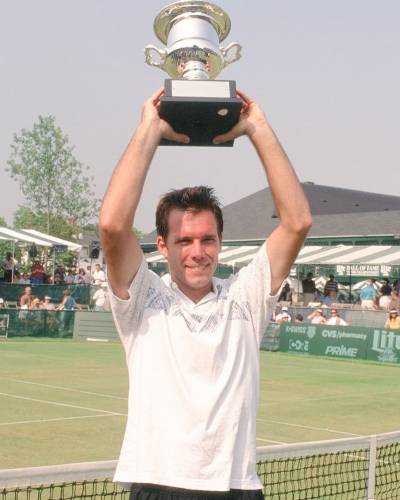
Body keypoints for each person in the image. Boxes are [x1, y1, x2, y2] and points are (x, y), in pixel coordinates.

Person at [99, 88, 312, 498]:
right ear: (162, 246)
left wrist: (257, 127)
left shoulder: (245, 297)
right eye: (183, 241)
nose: (197, 252)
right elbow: (112, 225)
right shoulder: (142, 297)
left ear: (220, 241)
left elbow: (297, 222)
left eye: (207, 239)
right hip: (158, 484)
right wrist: (149, 131)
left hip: (236, 487)